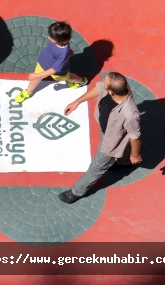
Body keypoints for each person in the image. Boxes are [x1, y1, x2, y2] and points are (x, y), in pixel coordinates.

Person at [58, 72, 142, 204]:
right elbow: (99, 87)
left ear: (111, 92)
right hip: (110, 130)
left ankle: (76, 192)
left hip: (110, 142)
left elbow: (135, 136)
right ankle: (124, 162)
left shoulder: (130, 114)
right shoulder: (120, 87)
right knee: (124, 143)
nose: (103, 84)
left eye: (106, 84)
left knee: (97, 167)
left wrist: (135, 154)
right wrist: (77, 102)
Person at [14, 21, 88, 103]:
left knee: (68, 77)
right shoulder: (62, 41)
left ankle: (81, 81)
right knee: (36, 79)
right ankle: (28, 92)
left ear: (59, 40)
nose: (48, 37)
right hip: (43, 62)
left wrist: (37, 75)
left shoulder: (63, 53)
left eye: (51, 37)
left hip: (58, 73)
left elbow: (54, 70)